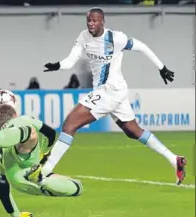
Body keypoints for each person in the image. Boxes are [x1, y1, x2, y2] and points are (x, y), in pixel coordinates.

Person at [38, 7, 187, 185]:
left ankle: (45, 171)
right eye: (89, 20)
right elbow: (71, 60)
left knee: (70, 124)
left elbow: (142, 47)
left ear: (102, 21)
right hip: (116, 92)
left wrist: (161, 68)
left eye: (94, 20)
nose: (91, 24)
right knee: (133, 131)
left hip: (108, 91)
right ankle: (174, 159)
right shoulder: (83, 36)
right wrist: (57, 65)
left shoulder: (116, 38)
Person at [0, 104, 83, 217]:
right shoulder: (23, 119)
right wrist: (45, 152)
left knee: (77, 187)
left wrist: (17, 215)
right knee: (30, 133)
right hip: (28, 159)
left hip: (20, 181)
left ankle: (41, 180)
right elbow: (51, 134)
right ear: (15, 114)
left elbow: (3, 192)